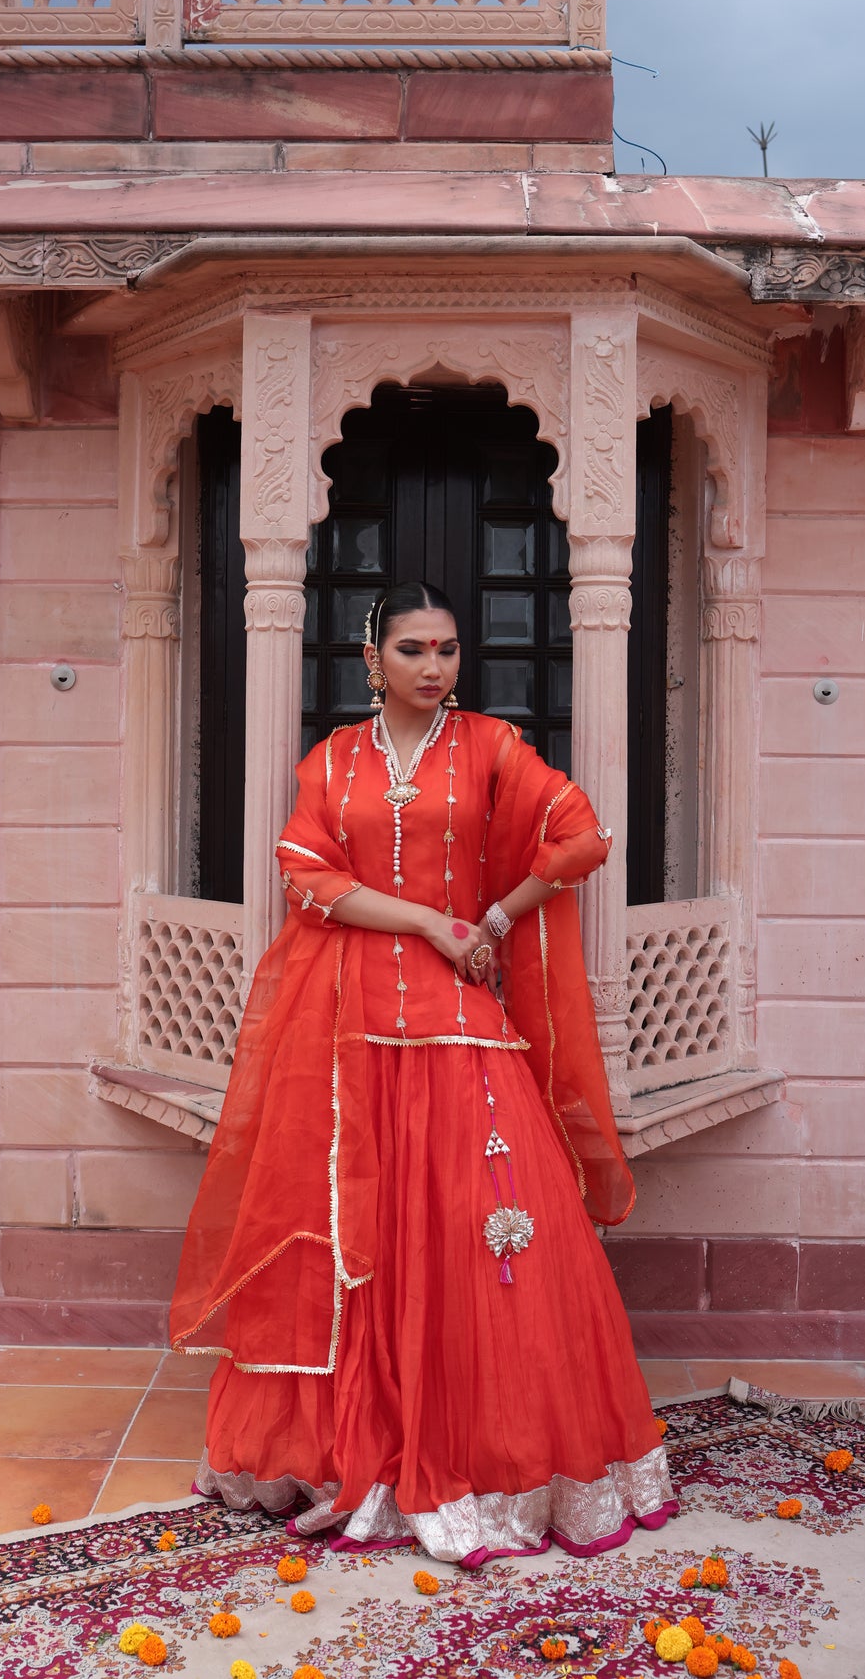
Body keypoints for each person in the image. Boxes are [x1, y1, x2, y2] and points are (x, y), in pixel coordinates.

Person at [169, 580, 675, 1565]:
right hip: (343, 1014)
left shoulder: (490, 748)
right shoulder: (331, 761)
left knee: (475, 1218)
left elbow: (581, 837)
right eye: (412, 649)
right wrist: (427, 923)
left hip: (456, 1013)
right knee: (352, 1221)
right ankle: (339, 1454)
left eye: (446, 649)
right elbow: (307, 875)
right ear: (372, 659)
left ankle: (490, 1458)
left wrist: (492, 919)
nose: (433, 666)